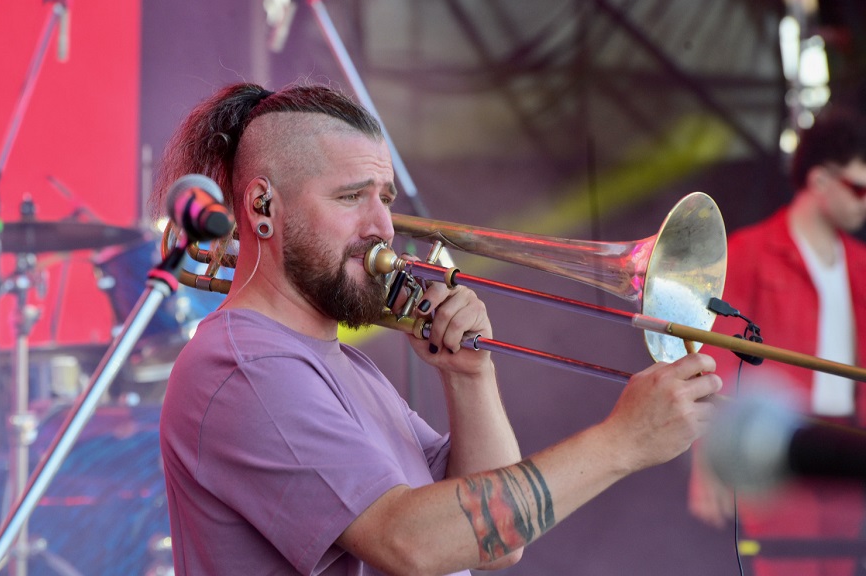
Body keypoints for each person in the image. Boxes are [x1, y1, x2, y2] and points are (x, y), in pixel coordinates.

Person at [152, 82, 721, 575]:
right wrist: (623, 442)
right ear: (261, 207)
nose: (382, 226)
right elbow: (409, 543)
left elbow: (494, 544)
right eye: (351, 197)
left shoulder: (340, 365)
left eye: (385, 199)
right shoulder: (245, 366)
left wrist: (471, 376)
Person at [688, 106, 866, 576]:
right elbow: (716, 357)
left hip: (849, 441)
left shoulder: (861, 262)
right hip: (778, 441)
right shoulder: (750, 251)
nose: (864, 202)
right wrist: (709, 456)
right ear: (820, 180)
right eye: (858, 188)